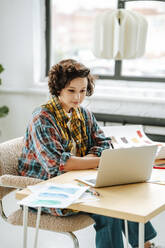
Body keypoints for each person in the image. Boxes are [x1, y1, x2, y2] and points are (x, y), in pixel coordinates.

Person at [18, 59, 160, 248]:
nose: (78, 97)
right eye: (71, 90)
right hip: (45, 189)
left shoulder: (83, 114)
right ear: (58, 88)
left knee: (124, 197)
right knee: (109, 209)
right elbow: (59, 164)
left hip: (77, 180)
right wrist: (98, 162)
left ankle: (145, 245)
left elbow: (104, 142)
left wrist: (88, 160)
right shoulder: (42, 118)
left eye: (83, 91)